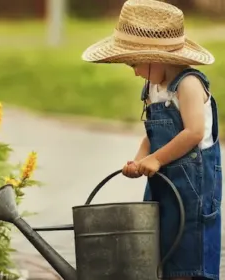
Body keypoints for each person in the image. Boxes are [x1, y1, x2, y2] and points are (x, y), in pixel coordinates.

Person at [81, 0, 222, 279]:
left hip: (194, 186)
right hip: (163, 182)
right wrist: (140, 159)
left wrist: (156, 158)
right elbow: (152, 133)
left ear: (156, 57)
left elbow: (193, 133)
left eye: (134, 63)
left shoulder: (188, 84)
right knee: (162, 243)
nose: (133, 71)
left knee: (190, 248)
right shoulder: (153, 87)